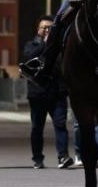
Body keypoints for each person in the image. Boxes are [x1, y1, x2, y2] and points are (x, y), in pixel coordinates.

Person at [23, 16, 73, 169]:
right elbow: (29, 57)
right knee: (37, 127)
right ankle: (37, 158)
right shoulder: (31, 44)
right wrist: (45, 43)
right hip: (38, 93)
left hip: (57, 92)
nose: (46, 30)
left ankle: (63, 156)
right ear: (38, 30)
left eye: (50, 27)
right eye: (44, 27)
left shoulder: (61, 46)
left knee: (60, 124)